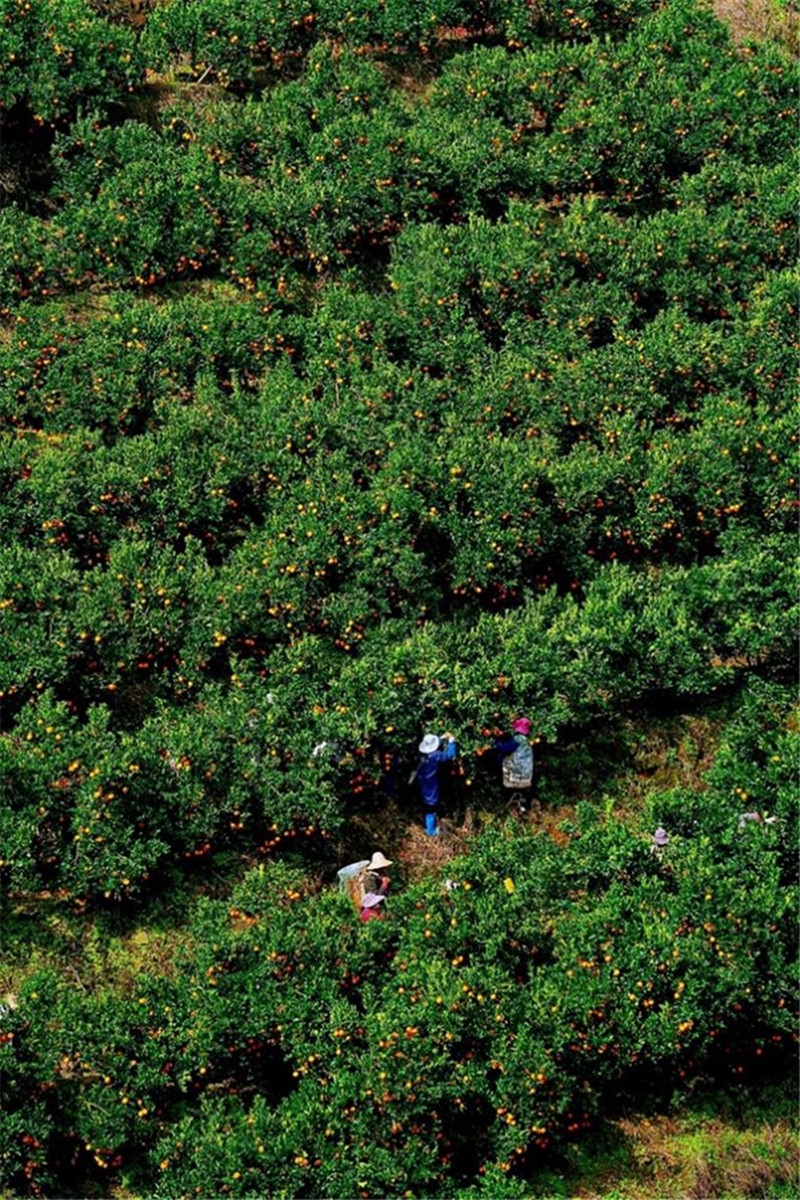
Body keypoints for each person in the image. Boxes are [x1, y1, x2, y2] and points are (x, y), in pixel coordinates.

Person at [416, 732, 457, 836]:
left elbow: (434, 743)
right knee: (431, 807)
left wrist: (443, 737)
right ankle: (431, 831)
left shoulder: (424, 754)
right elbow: (449, 755)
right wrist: (452, 742)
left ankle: (429, 826)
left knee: (428, 804)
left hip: (422, 780)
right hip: (430, 784)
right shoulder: (435, 756)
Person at [495, 718, 534, 811]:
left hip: (515, 774)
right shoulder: (526, 741)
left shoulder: (517, 740)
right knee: (522, 791)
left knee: (512, 789)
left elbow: (504, 748)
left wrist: (496, 742)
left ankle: (511, 807)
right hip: (526, 775)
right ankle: (523, 806)